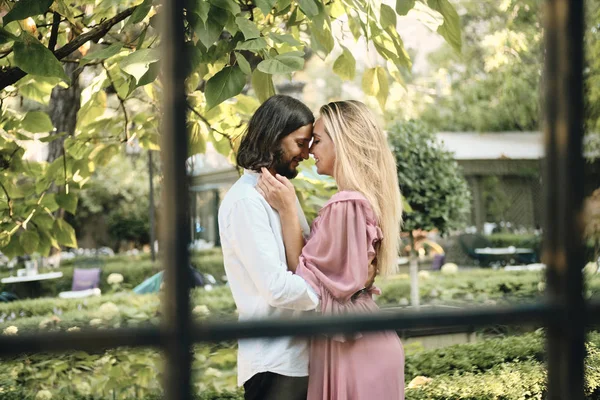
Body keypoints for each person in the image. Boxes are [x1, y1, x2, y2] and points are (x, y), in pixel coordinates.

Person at [256, 100, 405, 400]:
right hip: (364, 343)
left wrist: (287, 209)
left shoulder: (346, 204)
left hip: (354, 351)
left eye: (318, 140)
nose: (310, 151)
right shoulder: (361, 200)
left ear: (344, 143)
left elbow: (307, 279)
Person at [218, 94, 319, 400]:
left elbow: (305, 261)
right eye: (301, 143)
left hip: (299, 359)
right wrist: (333, 293)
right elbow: (277, 288)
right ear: (275, 138)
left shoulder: (281, 192)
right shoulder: (246, 201)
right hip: (274, 366)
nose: (307, 153)